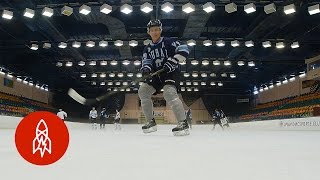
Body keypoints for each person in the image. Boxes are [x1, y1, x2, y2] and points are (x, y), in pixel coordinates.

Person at [138, 19, 190, 136]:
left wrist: (174, 60)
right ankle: (151, 121)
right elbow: (146, 61)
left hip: (170, 73)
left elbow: (184, 49)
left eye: (157, 29)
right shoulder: (147, 48)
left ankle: (183, 123)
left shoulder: (169, 42)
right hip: (157, 75)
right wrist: (146, 70)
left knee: (169, 93)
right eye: (152, 30)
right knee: (143, 91)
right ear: (149, 32)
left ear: (160, 30)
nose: (155, 32)